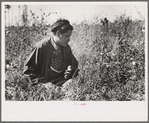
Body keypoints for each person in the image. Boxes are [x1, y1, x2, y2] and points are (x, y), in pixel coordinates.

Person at [23, 19, 79, 87]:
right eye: (67, 36)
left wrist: (70, 70)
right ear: (58, 33)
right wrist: (42, 84)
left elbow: (74, 65)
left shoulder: (66, 48)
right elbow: (29, 71)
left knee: (75, 82)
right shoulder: (41, 47)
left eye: (69, 36)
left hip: (61, 82)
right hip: (44, 84)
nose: (69, 39)